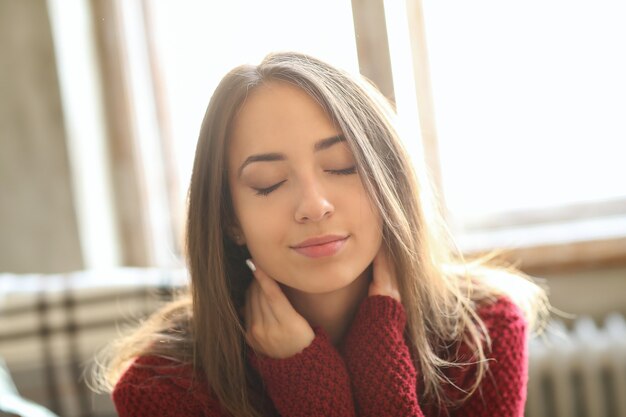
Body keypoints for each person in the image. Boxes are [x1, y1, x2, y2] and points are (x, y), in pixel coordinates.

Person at [96, 51, 549, 417]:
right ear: (229, 219)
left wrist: (380, 364)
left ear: (389, 180)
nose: (314, 205)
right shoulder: (163, 388)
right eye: (269, 182)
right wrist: (308, 381)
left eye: (342, 166)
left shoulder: (482, 333)